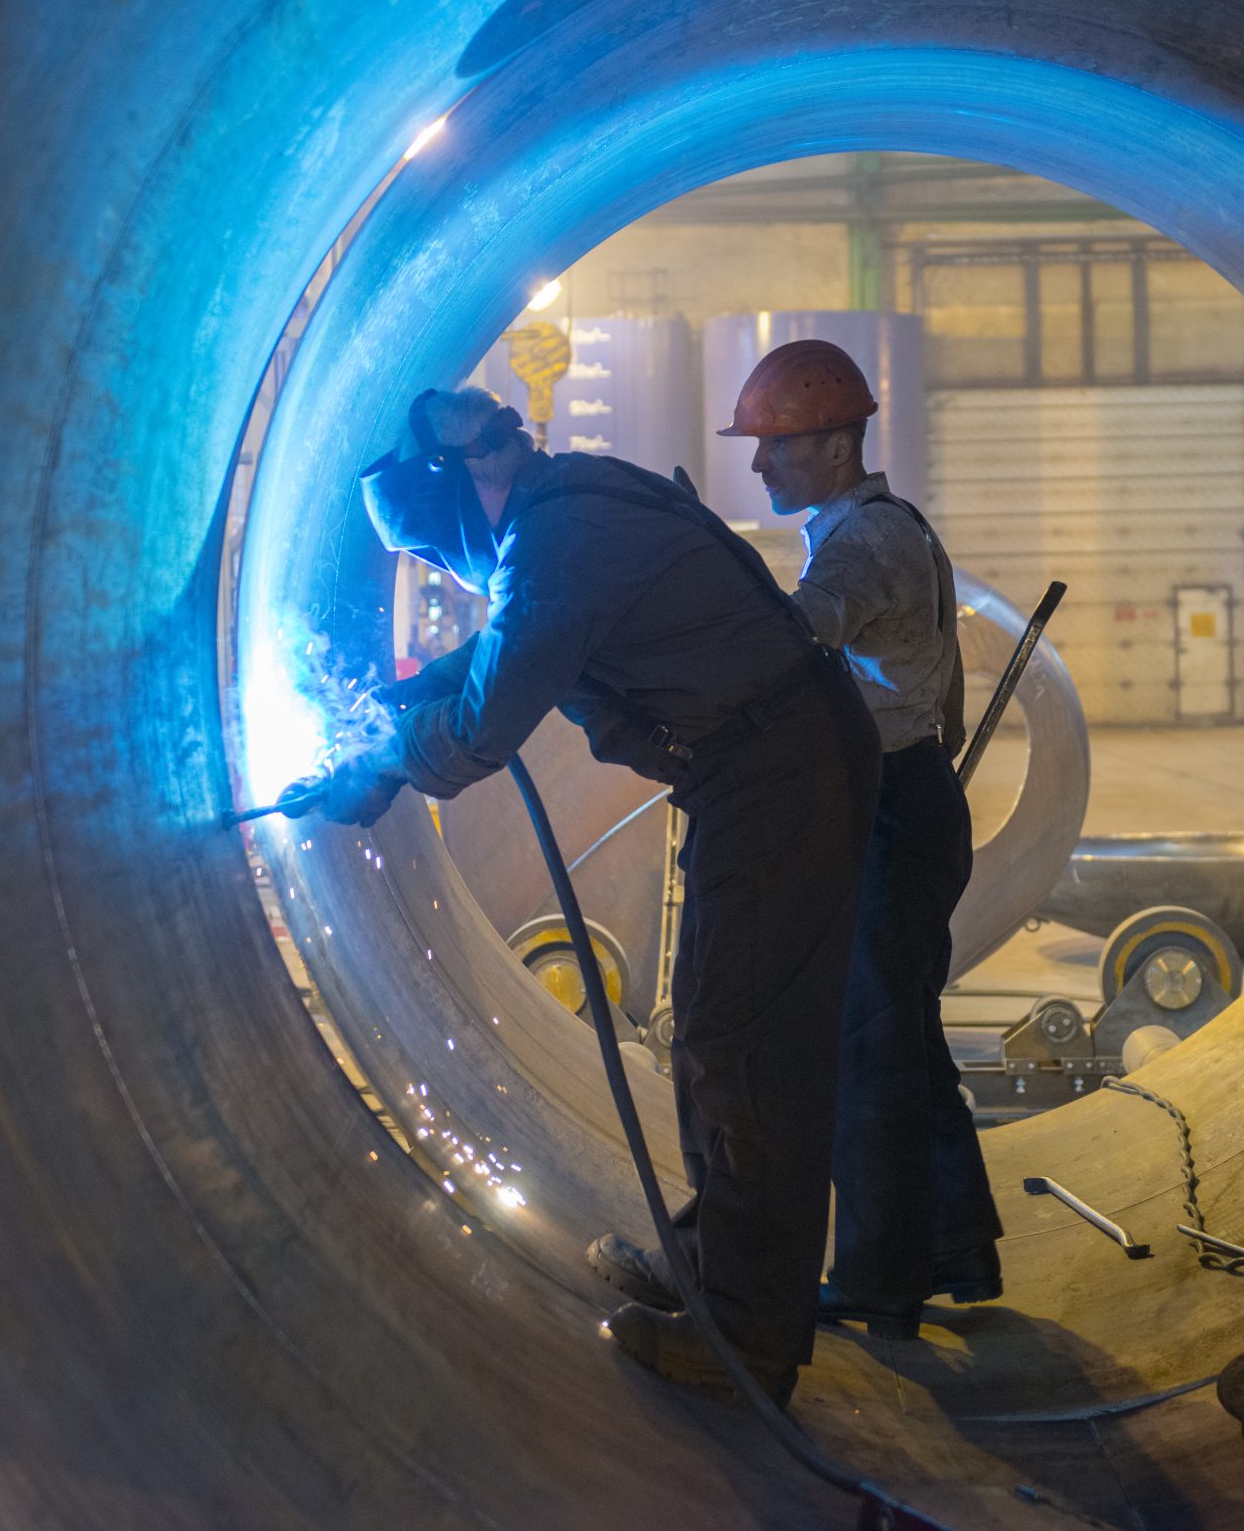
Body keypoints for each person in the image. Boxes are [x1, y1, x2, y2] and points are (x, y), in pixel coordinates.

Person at [285, 386, 879, 1404]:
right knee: (709, 1028)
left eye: (436, 550)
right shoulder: (566, 502)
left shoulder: (551, 537)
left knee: (745, 1048)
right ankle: (712, 1268)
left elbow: (488, 718)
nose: (442, 569)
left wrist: (388, 757)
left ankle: (747, 1340)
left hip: (780, 778)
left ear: (468, 488)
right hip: (767, 771)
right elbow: (519, 635)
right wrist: (416, 696)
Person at [720, 339, 1004, 1335]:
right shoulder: (873, 526)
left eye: (778, 448)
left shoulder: (861, 544)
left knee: (866, 1048)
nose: (760, 467)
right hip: (906, 796)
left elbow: (790, 641)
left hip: (891, 805)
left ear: (837, 445)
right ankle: (957, 1244)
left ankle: (881, 1276)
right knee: (904, 1039)